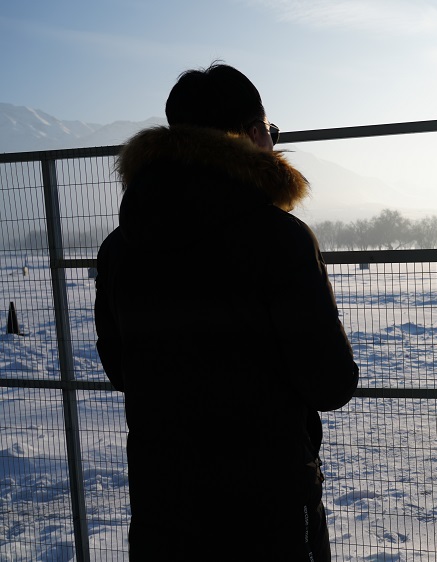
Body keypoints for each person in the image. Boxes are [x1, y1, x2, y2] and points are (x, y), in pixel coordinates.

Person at [94, 62, 359, 561]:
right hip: (269, 510)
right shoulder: (280, 239)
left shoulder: (120, 247)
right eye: (270, 131)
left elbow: (119, 367)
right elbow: (330, 383)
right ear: (256, 133)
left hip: (162, 505)